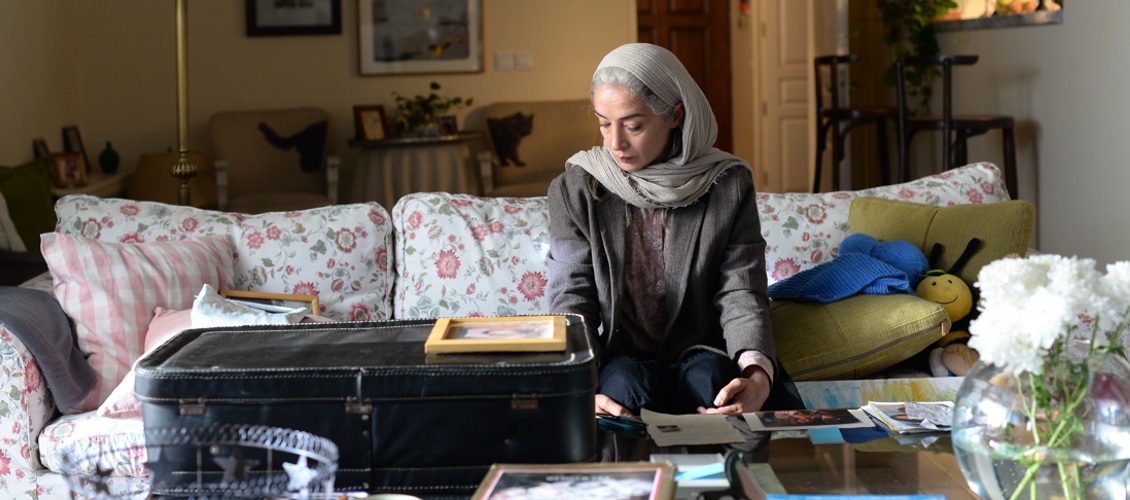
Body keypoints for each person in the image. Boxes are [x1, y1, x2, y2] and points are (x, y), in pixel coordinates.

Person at [547, 43, 801, 417]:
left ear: (675, 115)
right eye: (604, 123)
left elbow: (740, 289)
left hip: (700, 351)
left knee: (716, 389)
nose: (615, 143)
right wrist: (576, 385)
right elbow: (572, 295)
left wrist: (757, 375)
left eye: (633, 125)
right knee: (626, 394)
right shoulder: (576, 190)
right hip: (621, 358)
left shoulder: (727, 185)